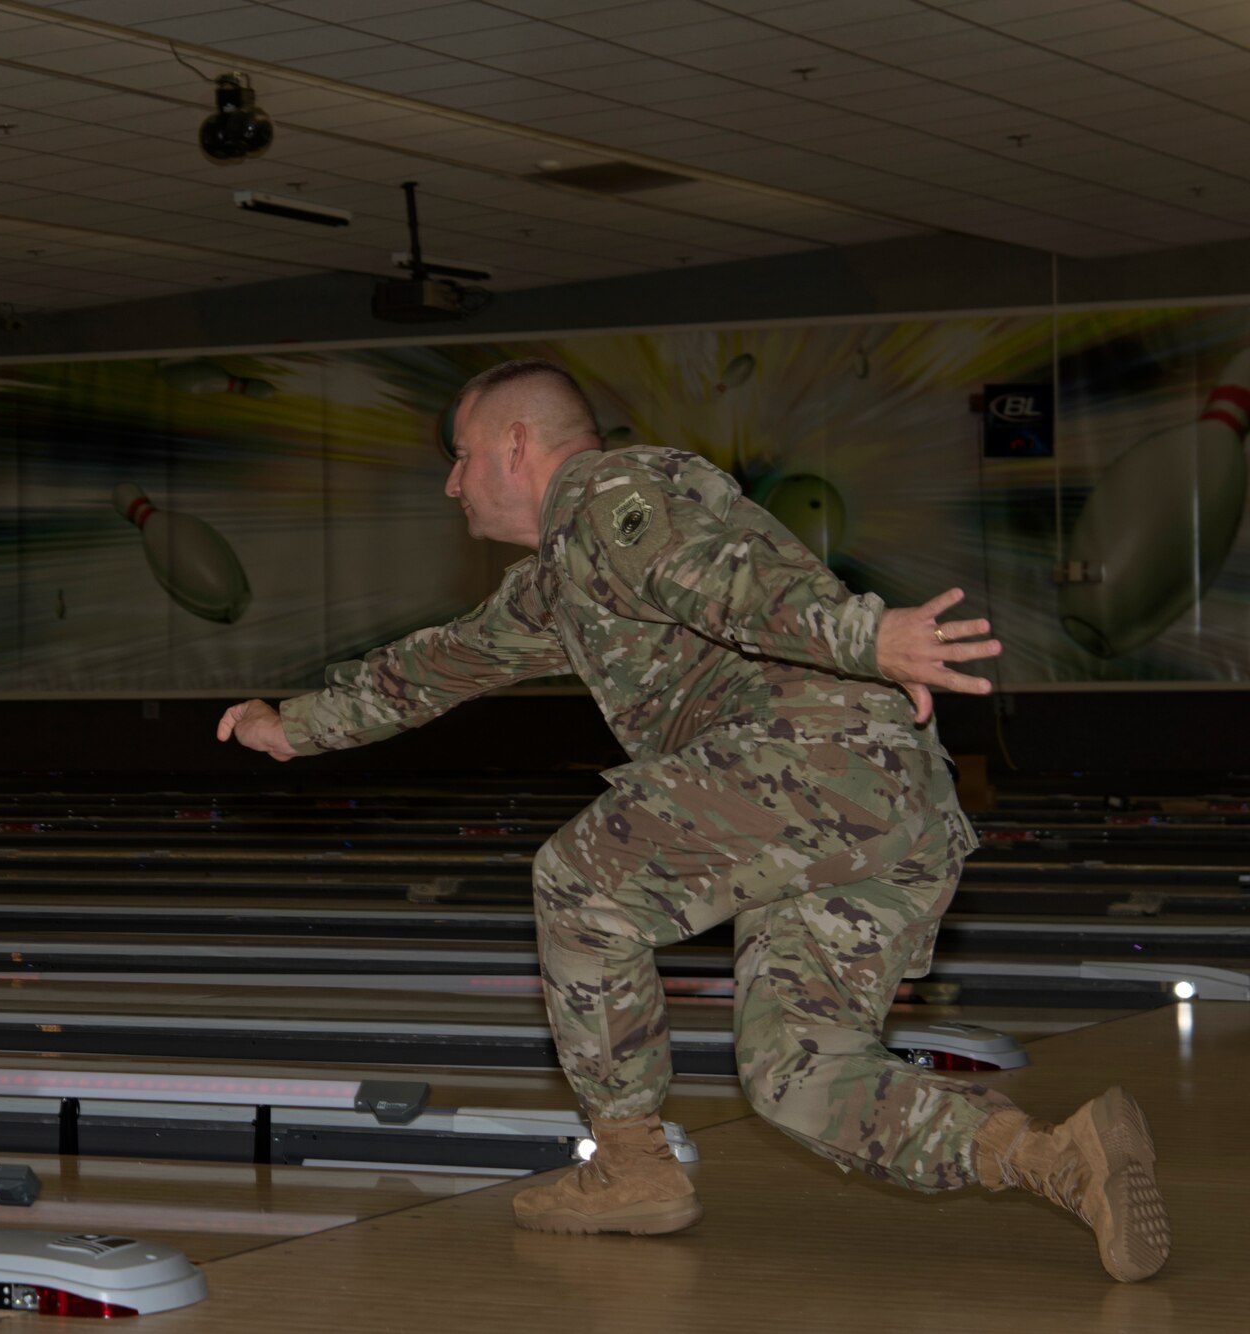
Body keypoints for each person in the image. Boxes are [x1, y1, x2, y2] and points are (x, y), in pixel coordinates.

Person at [217, 359, 1169, 1282]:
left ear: (516, 446)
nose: (450, 484)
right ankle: (1055, 1160)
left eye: (460, 456)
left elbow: (721, 579)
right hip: (880, 802)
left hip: (810, 762)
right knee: (799, 1071)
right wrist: (295, 727)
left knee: (581, 883)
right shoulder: (561, 579)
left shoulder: (611, 496)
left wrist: (865, 636)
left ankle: (631, 1162)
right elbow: (442, 665)